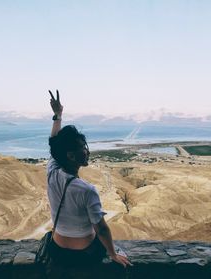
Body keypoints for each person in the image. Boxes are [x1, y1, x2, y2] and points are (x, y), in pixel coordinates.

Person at [47, 90, 132, 270]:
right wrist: (113, 254)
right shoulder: (86, 190)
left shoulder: (52, 171)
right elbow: (101, 229)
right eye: (81, 148)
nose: (86, 150)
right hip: (85, 253)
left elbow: (54, 143)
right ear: (70, 155)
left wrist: (58, 115)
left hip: (57, 250)